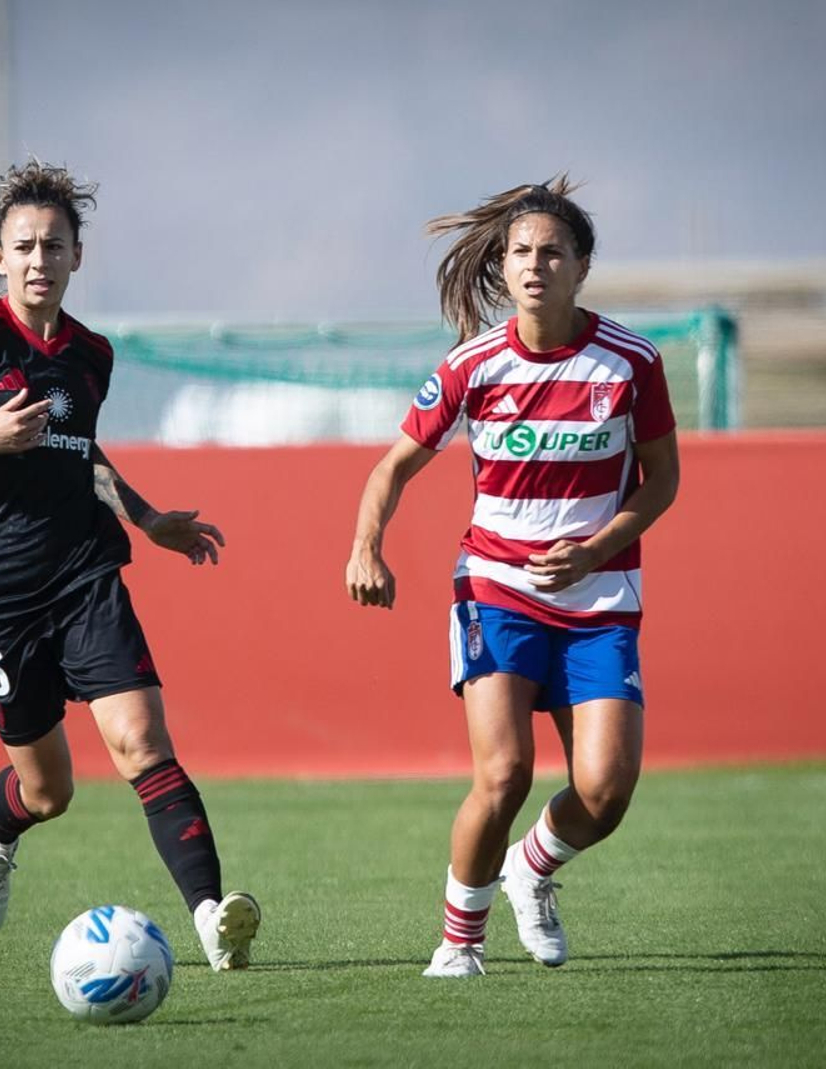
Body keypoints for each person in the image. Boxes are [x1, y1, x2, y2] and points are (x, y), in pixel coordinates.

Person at [0, 159, 260, 971]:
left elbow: (82, 453)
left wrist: (148, 519)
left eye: (55, 244)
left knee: (142, 742)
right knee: (49, 791)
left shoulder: (92, 355)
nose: (39, 258)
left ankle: (213, 918)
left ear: (78, 255)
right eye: (24, 245)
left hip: (85, 574)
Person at [345, 177, 680, 978]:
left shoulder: (631, 363)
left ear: (582, 265)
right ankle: (459, 942)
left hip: (600, 601)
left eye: (552, 252)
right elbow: (393, 468)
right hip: (496, 591)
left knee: (605, 791)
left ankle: (533, 868)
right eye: (521, 252)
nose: (535, 265)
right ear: (503, 266)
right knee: (504, 773)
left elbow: (662, 481)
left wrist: (598, 548)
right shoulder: (473, 364)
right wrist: (366, 546)